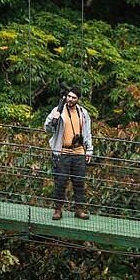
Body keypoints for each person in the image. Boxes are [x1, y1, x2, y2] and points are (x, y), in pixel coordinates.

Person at [44, 87, 93, 220]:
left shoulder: (83, 113)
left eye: (73, 97)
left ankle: (79, 210)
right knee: (60, 181)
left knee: (79, 182)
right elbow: (47, 128)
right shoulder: (58, 110)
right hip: (62, 152)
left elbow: (87, 132)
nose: (70, 99)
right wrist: (53, 119)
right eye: (69, 96)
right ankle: (58, 210)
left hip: (78, 151)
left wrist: (89, 150)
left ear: (78, 99)